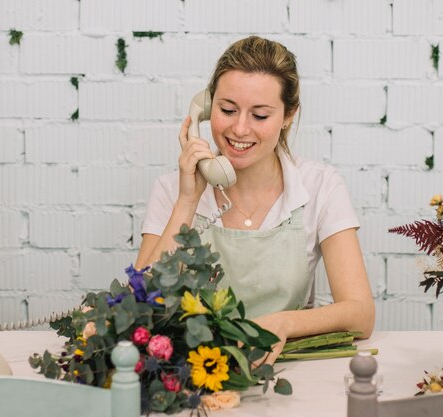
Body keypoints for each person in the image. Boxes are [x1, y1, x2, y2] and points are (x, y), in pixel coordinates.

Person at [136, 36, 374, 363]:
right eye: (227, 110)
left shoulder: (320, 186)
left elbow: (360, 314)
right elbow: (138, 304)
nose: (240, 128)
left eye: (260, 115)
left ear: (288, 116)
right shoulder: (171, 190)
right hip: (194, 373)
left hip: (290, 372)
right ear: (206, 108)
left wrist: (284, 323)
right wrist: (188, 201)